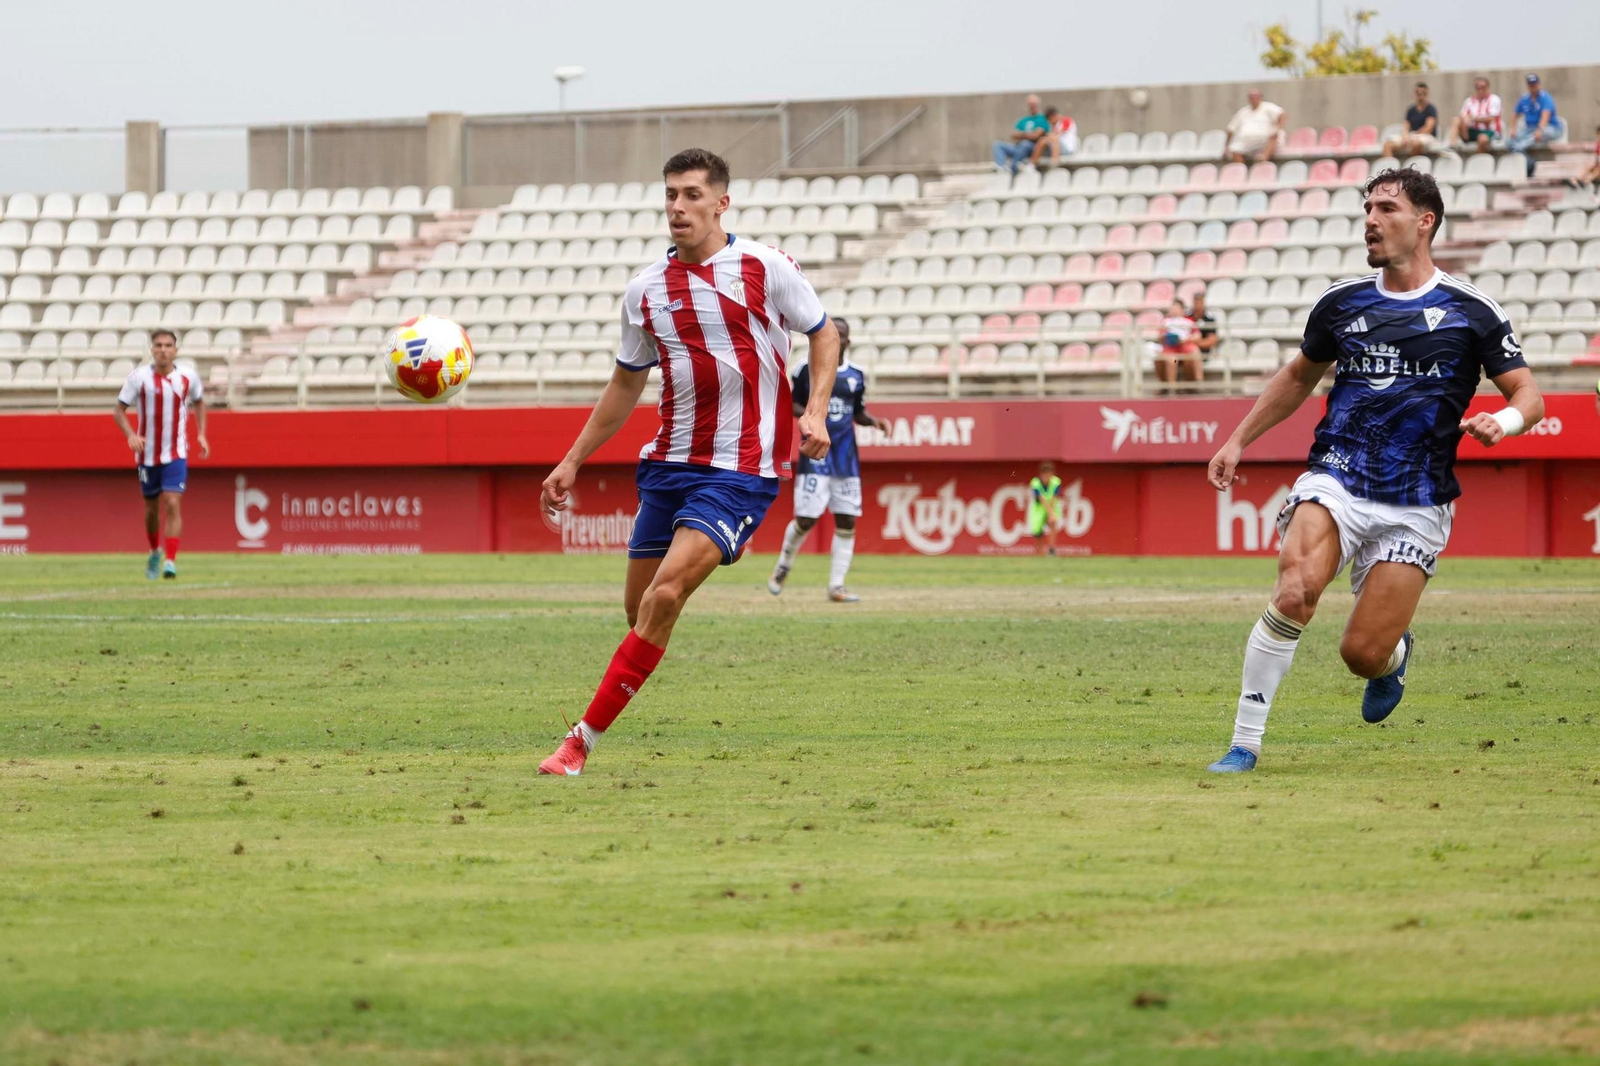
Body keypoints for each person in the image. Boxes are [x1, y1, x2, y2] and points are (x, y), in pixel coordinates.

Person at [1203, 167, 1543, 774]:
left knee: (1361, 653)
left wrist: (1505, 422)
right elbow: (1297, 379)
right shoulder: (1342, 302)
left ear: (1424, 221)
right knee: (1295, 589)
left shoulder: (1471, 311)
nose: (1371, 220)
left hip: (1416, 499)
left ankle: (1393, 658)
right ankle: (1244, 743)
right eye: (1368, 209)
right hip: (1339, 473)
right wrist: (1237, 440)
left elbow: (1528, 396)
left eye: (1386, 208)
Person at [537, 148, 840, 777]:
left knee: (666, 595)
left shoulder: (764, 266)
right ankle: (632, 672)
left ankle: (579, 743)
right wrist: (572, 461)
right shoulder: (644, 291)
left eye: (692, 195)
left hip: (741, 470)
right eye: (671, 194)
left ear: (721, 202)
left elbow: (824, 331)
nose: (678, 206)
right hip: (669, 466)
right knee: (640, 610)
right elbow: (625, 384)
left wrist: (814, 411)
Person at [767, 319, 890, 602]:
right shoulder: (804, 369)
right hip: (815, 454)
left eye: (845, 336)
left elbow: (856, 411)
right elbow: (791, 403)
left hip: (846, 458)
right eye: (837, 334)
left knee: (847, 520)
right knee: (806, 519)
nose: (841, 339)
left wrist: (873, 422)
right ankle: (783, 565)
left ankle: (836, 586)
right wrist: (813, 414)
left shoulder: (856, 374)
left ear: (848, 341)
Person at [112, 329, 209, 580]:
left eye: (168, 345)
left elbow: (199, 401)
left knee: (173, 502)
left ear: (176, 350)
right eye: (158, 345)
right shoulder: (139, 378)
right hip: (146, 455)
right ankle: (155, 551)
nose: (163, 350)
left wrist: (201, 434)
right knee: (151, 508)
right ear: (152, 350)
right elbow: (119, 410)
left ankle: (171, 561)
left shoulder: (188, 377)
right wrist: (130, 435)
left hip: (176, 451)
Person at [1507, 73, 1560, 178]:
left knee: (1544, 132)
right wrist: (1512, 128)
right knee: (1509, 141)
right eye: (1531, 85)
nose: (1533, 87)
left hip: (1548, 128)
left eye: (1535, 84)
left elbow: (1546, 115)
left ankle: (1519, 147)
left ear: (1539, 84)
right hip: (1529, 129)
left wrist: (1540, 130)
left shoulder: (1545, 97)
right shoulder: (1524, 98)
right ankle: (1528, 161)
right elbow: (1515, 114)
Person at [992, 94, 1050, 176]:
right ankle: (1001, 168)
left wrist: (1023, 135)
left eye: (1033, 104)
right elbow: (1014, 135)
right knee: (998, 145)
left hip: (1032, 148)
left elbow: (1036, 136)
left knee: (1025, 144)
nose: (1032, 106)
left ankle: (1013, 168)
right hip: (1018, 147)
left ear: (1038, 105)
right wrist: (1028, 135)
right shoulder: (1024, 120)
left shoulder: (1042, 119)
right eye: (1030, 104)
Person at [1224, 89, 1285, 164]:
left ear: (1261, 98)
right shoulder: (1243, 111)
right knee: (1234, 149)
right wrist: (1225, 146)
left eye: (1256, 97)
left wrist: (1277, 128)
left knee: (1273, 135)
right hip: (1247, 141)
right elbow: (1231, 129)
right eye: (1251, 97)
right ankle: (1242, 170)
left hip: (1265, 139)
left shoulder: (1269, 107)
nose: (1254, 99)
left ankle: (1263, 159)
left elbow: (1282, 115)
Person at [1382, 82, 1438, 158]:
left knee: (1416, 144)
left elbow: (1428, 128)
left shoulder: (1431, 109)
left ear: (1426, 94)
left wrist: (1414, 136)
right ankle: (1389, 168)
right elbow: (1406, 126)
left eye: (1422, 93)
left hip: (1426, 137)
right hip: (1411, 135)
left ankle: (1411, 167)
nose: (1420, 95)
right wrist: (1406, 136)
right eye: (1418, 92)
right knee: (1387, 145)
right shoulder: (1411, 110)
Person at [1155, 299, 1201, 390]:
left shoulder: (1189, 321)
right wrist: (1165, 337)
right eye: (1173, 308)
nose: (1174, 310)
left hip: (1185, 345)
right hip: (1171, 348)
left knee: (1196, 352)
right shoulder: (1166, 322)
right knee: (1172, 361)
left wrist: (1186, 340)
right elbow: (1159, 337)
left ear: (1182, 310)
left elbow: (1197, 335)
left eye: (1176, 308)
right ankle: (1172, 388)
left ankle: (1198, 381)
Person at [1450, 76, 1503, 154]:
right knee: (1456, 120)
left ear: (1488, 88)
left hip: (1488, 131)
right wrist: (1465, 122)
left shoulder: (1494, 99)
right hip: (1472, 131)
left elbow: (1491, 118)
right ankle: (1452, 147)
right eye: (1478, 88)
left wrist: (1473, 118)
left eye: (1483, 88)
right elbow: (1463, 116)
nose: (1480, 91)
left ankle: (1478, 159)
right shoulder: (1469, 101)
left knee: (1482, 139)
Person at [1028, 462, 1064, 556]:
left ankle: (1051, 549)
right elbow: (1041, 499)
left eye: (1049, 474)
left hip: (1052, 506)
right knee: (1038, 532)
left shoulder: (1056, 482)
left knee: (1052, 523)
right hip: (1039, 509)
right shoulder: (1035, 482)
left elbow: (1054, 497)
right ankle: (1040, 553)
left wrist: (1051, 513)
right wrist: (1050, 512)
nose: (1047, 477)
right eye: (1045, 474)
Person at [1564, 125, 1600, 191]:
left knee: (1597, 170)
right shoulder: (1598, 146)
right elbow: (1596, 159)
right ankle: (1575, 180)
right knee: (1589, 167)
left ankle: (1586, 182)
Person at [1189, 291, 1219, 358]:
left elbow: (1212, 340)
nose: (1198, 305)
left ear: (1203, 303)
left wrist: (1194, 344)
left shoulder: (1209, 319)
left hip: (1202, 352)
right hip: (1187, 351)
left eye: (1200, 303)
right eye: (1196, 302)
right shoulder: (1187, 317)